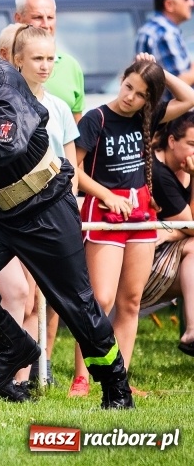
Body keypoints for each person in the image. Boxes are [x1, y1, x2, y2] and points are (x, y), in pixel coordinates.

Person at [0, 3, 134, 409]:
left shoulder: (2, 78)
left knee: (77, 306)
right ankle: (15, 345)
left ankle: (116, 387)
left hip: (44, 205)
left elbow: (3, 144)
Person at [69, 55, 194, 397]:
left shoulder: (146, 118)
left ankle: (118, 379)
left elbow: (188, 99)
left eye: (140, 94)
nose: (130, 97)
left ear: (148, 100)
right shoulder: (97, 118)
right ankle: (81, 377)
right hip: (105, 214)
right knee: (101, 300)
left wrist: (158, 71)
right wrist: (107, 195)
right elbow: (73, 170)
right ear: (121, 80)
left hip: (140, 215)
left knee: (131, 301)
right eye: (128, 87)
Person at [6, 25, 79, 388]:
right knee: (16, 295)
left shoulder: (60, 108)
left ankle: (23, 379)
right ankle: (4, 375)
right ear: (17, 60)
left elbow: (71, 168)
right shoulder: (5, 105)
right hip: (14, 212)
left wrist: (72, 213)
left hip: (51, 214)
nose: (46, 65)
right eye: (37, 58)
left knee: (37, 300)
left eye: (51, 58)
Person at [145, 112, 194, 355]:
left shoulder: (183, 168)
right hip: (146, 263)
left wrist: (174, 233)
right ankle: (192, 330)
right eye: (192, 145)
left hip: (169, 251)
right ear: (172, 141)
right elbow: (192, 225)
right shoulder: (159, 173)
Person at [14, 0, 86, 122]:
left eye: (50, 17)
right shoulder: (3, 66)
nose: (46, 24)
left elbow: (76, 128)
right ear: (18, 18)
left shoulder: (71, 66)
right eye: (37, 17)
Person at [136, 0, 194, 93]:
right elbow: (178, 84)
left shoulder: (149, 28)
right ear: (169, 4)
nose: (191, 3)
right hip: (174, 109)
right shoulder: (165, 33)